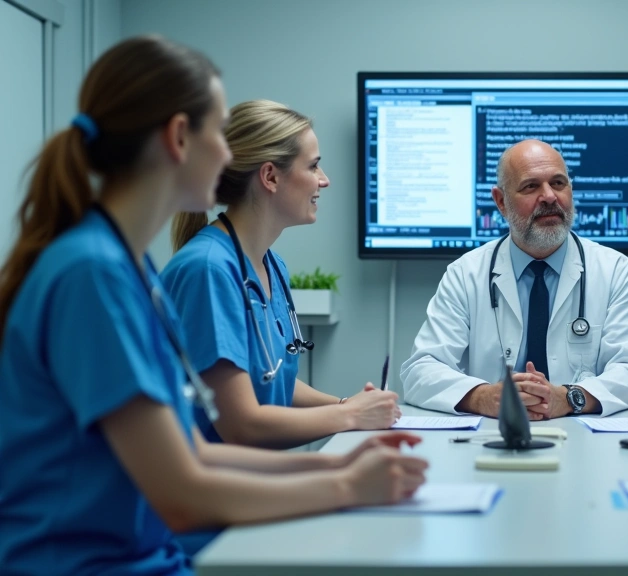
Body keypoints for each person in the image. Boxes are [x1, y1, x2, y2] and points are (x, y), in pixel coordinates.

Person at [0, 36, 427, 575]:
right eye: (218, 132)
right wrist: (343, 482)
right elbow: (182, 492)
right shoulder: (95, 274)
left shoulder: (128, 268)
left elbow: (192, 456)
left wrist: (342, 467)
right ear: (179, 137)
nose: (228, 155)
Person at [163, 100, 400, 449]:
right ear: (270, 176)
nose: (325, 180)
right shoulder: (209, 269)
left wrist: (347, 405)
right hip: (208, 492)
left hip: (252, 478)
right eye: (314, 166)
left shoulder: (271, 265)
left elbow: (273, 382)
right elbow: (241, 425)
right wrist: (351, 416)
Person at [402, 139, 628, 419]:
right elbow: (420, 370)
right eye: (530, 186)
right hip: (489, 438)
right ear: (501, 202)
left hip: (585, 437)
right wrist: (483, 397)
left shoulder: (615, 270)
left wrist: (570, 397)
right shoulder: (465, 274)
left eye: (558, 183)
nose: (549, 196)